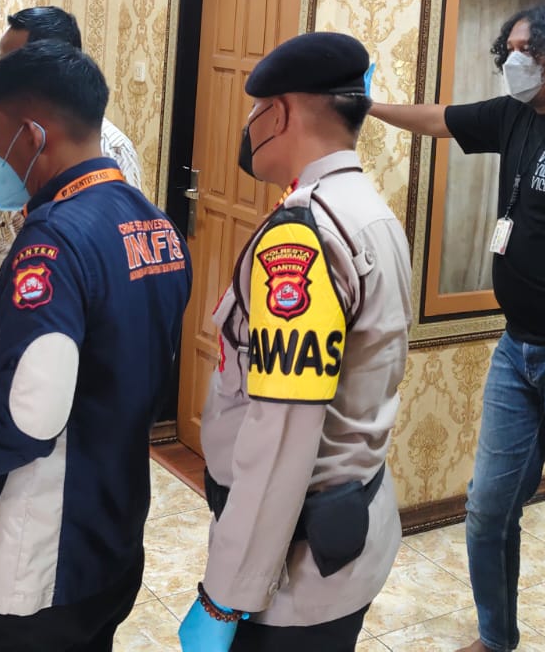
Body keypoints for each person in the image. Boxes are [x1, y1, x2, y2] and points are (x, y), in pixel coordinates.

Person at [0, 41, 190, 651]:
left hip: (33, 562)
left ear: (32, 136)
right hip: (114, 533)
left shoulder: (52, 243)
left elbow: (26, 424)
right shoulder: (155, 226)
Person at [369, 3, 545, 652]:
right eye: (512, 49)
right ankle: (497, 639)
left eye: (532, 50)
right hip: (516, 348)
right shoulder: (515, 116)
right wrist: (367, 107)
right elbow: (439, 119)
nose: (516, 61)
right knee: (488, 509)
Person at [180, 32, 411, 652]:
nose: (250, 126)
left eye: (255, 111)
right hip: (346, 528)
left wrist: (226, 595)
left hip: (295, 573)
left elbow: (282, 432)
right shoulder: (368, 210)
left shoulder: (303, 237)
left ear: (278, 114)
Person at [0, 6, 144, 410]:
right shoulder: (15, 138)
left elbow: (115, 266)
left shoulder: (107, 151)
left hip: (52, 350)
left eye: (11, 62)